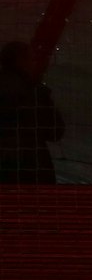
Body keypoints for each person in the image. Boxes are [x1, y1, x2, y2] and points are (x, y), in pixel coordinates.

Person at [0, 41, 63, 184]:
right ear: (22, 60)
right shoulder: (33, 92)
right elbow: (56, 131)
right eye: (32, 59)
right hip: (31, 170)